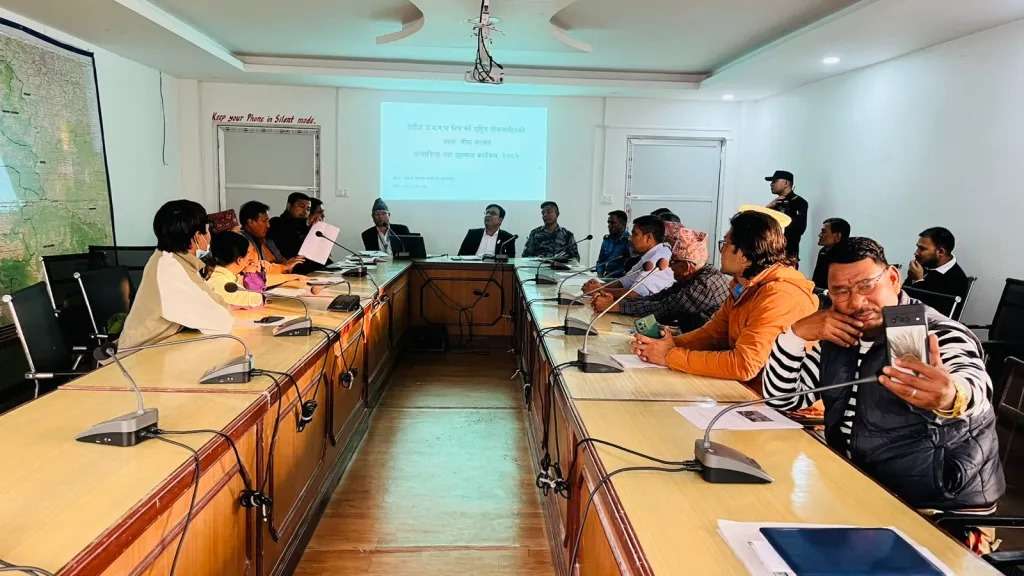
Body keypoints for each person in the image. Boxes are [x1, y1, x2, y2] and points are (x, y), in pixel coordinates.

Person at [762, 237, 1003, 516]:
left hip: (935, 506)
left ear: (892, 278)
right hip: (858, 484)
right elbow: (783, 399)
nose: (856, 302)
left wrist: (952, 395)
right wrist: (794, 335)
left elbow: (973, 383)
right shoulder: (843, 332)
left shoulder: (931, 332)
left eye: (866, 285)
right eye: (841, 291)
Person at [630, 210, 817, 384]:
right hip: (745, 389)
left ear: (744, 255)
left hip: (775, 403)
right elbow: (713, 334)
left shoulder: (780, 295)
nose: (721, 251)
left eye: (725, 244)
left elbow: (744, 365)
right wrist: (667, 345)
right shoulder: (743, 286)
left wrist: (669, 355)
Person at [118, 200, 234, 349]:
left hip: (160, 349)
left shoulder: (175, 260)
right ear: (197, 237)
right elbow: (221, 321)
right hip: (139, 356)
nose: (209, 236)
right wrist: (223, 307)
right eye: (206, 230)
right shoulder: (170, 269)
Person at [592, 223, 729, 332]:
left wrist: (616, 307)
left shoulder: (707, 284)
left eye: (673, 262)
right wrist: (615, 302)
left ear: (687, 267)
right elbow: (659, 297)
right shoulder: (691, 276)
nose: (669, 266)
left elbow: (666, 307)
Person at [582, 215, 673, 298]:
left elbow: (635, 294)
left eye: (635, 234)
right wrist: (599, 286)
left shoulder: (659, 258)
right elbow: (625, 281)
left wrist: (598, 290)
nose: (630, 238)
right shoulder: (650, 254)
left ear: (649, 237)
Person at [239, 201, 305, 274]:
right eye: (264, 221)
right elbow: (254, 272)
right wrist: (284, 267)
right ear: (250, 222)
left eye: (268, 221)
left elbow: (282, 262)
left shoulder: (268, 241)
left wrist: (289, 263)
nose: (268, 225)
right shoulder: (241, 243)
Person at [907, 227, 970, 300]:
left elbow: (927, 306)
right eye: (918, 247)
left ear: (941, 252)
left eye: (922, 249)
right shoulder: (925, 265)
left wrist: (918, 280)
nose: (916, 253)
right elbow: (901, 296)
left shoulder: (956, 280)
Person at [207, 231, 265, 308]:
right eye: (248, 253)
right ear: (239, 260)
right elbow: (252, 298)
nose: (251, 258)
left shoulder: (225, 275)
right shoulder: (218, 281)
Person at [765, 170, 807, 263]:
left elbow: (800, 228)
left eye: (775, 181)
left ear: (786, 183)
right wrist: (768, 208)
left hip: (788, 256)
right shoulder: (775, 204)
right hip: (770, 254)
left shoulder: (799, 202)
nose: (771, 184)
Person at [268, 192, 312, 259]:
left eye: (308, 209)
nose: (305, 212)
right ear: (289, 206)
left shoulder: (307, 227)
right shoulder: (276, 223)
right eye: (301, 206)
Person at [811, 217, 851, 290]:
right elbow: (816, 281)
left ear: (837, 236)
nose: (819, 235)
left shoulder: (847, 256)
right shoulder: (823, 251)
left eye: (824, 232)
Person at [595, 210, 631, 278]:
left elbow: (630, 267)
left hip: (620, 279)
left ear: (623, 224)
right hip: (606, 277)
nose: (609, 226)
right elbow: (600, 262)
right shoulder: (607, 239)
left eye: (613, 223)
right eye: (608, 222)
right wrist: (600, 275)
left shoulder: (629, 241)